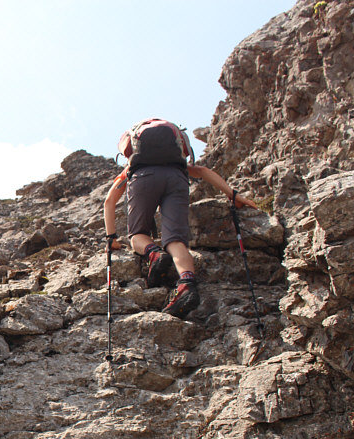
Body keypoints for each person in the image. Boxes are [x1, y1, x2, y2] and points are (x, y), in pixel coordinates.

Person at [103, 122, 258, 318]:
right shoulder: (177, 163)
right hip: (177, 178)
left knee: (137, 236)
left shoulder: (132, 167)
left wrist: (112, 239)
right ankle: (186, 283)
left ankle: (154, 254)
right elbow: (202, 171)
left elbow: (109, 201)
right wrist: (233, 195)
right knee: (175, 240)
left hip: (143, 178)